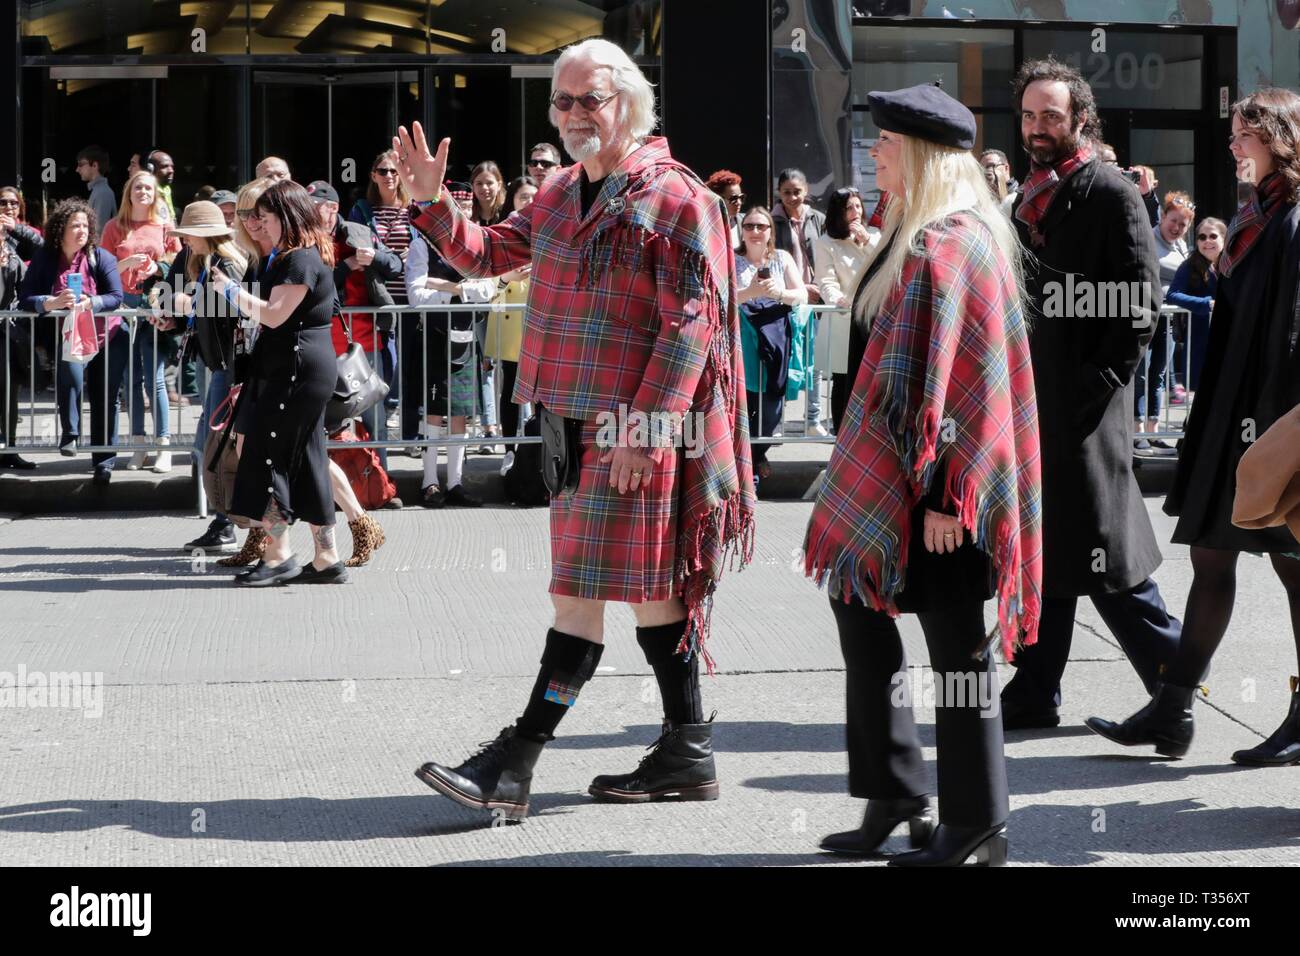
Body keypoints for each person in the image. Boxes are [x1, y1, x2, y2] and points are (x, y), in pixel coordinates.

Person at [396, 36, 754, 820]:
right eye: (561, 101)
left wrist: (648, 428)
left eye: (588, 98)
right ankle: (687, 751)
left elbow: (693, 323)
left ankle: (514, 764)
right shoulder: (559, 192)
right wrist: (434, 206)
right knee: (651, 596)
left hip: (633, 431)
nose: (572, 114)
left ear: (628, 101)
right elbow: (488, 254)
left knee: (577, 597)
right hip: (570, 423)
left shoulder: (677, 197)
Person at [805, 83, 1040, 867]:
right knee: (858, 608)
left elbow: (964, 384)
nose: (872, 156)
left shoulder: (953, 243)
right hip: (891, 479)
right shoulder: (915, 233)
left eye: (884, 144)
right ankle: (894, 790)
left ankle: (978, 820)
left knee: (959, 656)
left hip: (940, 492)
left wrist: (944, 497)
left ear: (922, 153)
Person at [1087, 89, 1300, 764]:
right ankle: (1174, 706)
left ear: (1278, 136)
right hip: (1233, 410)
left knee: (1295, 568)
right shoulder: (1256, 213)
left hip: (1271, 416)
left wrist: (1274, 434)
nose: (1233, 145)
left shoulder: (1293, 217)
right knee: (1213, 557)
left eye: (1244, 134)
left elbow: (1292, 333)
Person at [998, 56, 1183, 730]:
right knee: (1050, 548)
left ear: (1080, 118)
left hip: (1085, 409)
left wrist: (1097, 384)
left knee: (1107, 551)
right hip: (1034, 405)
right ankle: (1034, 688)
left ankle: (1176, 676)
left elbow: (1141, 301)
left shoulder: (1109, 190)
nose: (1039, 126)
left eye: (1051, 114)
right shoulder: (1029, 192)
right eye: (1028, 114)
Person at [212, 180, 347, 586]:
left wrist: (230, 290)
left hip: (294, 370)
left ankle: (278, 556)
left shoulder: (299, 259)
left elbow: (273, 315)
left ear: (285, 216)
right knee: (306, 459)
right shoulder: (301, 256)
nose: (256, 223)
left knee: (269, 457)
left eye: (263, 216)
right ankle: (327, 558)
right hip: (300, 367)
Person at [159, 201, 250, 553]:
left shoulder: (225, 264)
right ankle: (229, 521)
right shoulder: (200, 261)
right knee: (212, 447)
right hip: (219, 365)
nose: (186, 242)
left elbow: (235, 308)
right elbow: (170, 295)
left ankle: (230, 522)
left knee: (215, 447)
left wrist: (189, 304)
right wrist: (176, 315)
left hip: (229, 367)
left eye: (189, 235)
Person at [18, 198, 125, 484]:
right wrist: (50, 302)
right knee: (71, 381)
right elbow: (26, 296)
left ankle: (104, 460)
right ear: (59, 230)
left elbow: (116, 297)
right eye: (74, 225)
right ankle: (71, 434)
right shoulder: (45, 258)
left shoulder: (100, 257)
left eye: (85, 225)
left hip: (108, 334)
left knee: (105, 397)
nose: (81, 230)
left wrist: (93, 302)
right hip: (70, 336)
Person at [307, 179, 402, 470]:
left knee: (375, 421)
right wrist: (344, 268)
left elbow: (396, 265)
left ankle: (382, 483)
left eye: (314, 207)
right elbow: (311, 286)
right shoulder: (303, 240)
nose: (307, 213)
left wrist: (375, 257)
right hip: (321, 344)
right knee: (322, 424)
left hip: (364, 344)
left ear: (333, 208)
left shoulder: (359, 232)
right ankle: (327, 492)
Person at [100, 170, 182, 472]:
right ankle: (138, 444)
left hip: (154, 306)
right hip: (123, 306)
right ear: (128, 193)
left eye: (148, 187)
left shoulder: (164, 227)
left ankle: (164, 445)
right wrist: (127, 263)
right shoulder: (113, 227)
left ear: (156, 194)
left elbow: (178, 266)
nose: (143, 192)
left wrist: (156, 269)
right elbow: (102, 269)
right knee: (130, 380)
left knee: (155, 378)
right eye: (137, 187)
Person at [404, 225, 490, 508]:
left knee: (460, 414)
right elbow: (416, 296)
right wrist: (462, 291)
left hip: (465, 337)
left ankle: (455, 483)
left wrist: (444, 287)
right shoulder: (421, 247)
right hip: (433, 336)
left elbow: (487, 290)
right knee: (433, 412)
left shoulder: (475, 246)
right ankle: (429, 482)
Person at [734, 205, 804, 483]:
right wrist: (750, 292)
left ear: (770, 231)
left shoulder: (782, 258)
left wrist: (780, 292)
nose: (754, 231)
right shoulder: (731, 258)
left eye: (761, 226)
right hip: (742, 344)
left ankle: (756, 454)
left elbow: (801, 295)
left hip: (775, 343)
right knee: (743, 407)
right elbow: (721, 295)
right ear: (742, 230)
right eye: (749, 226)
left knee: (771, 410)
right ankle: (747, 468)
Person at [815, 186, 879, 433]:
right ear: (838, 213)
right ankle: (841, 438)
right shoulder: (826, 242)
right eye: (848, 208)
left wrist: (866, 242)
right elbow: (826, 280)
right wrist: (837, 299)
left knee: (873, 379)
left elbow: (887, 265)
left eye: (858, 206)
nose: (855, 212)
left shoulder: (873, 235)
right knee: (844, 382)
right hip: (844, 318)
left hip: (872, 317)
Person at [1134, 190, 1195, 451]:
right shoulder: (1149, 238)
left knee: (1158, 374)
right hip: (1145, 316)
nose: (1177, 227)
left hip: (1168, 321)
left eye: (1183, 224)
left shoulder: (1181, 246)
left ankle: (1153, 431)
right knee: (1141, 375)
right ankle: (1137, 435)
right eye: (1173, 220)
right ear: (1162, 216)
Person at [772, 168, 828, 436]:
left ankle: (813, 420)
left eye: (797, 191)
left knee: (813, 360)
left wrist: (819, 286)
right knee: (784, 360)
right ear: (779, 193)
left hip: (816, 300)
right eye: (786, 192)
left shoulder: (819, 219)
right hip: (786, 300)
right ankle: (777, 422)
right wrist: (798, 287)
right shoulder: (771, 221)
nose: (792, 197)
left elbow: (828, 256)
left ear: (806, 191)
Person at [487, 177, 538, 474]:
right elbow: (489, 281)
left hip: (540, 321)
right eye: (523, 197)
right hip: (510, 318)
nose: (528, 202)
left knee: (540, 394)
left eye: (533, 197)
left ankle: (537, 451)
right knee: (510, 391)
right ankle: (508, 449)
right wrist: (508, 277)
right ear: (513, 200)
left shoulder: (549, 227)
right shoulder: (504, 231)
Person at [1166, 216, 1227, 393]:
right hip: (1200, 339)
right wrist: (1207, 304)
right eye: (1202, 237)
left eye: (1213, 236)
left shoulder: (1233, 263)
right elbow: (1172, 295)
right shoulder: (1189, 266)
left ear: (1224, 238)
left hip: (1230, 337)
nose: (1207, 241)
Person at [0, 222, 32, 469]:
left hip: (7, 335)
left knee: (9, 393)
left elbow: (26, 293)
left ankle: (10, 449)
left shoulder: (12, 261)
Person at [75, 146, 117, 237]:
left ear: (94, 165)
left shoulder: (102, 193)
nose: (77, 169)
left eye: (81, 164)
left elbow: (98, 232)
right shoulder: (99, 191)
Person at [706, 169, 745, 247]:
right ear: (718, 199)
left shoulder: (746, 223)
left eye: (741, 197)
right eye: (733, 198)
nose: (739, 203)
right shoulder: (706, 225)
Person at [979, 148, 1018, 215]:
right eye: (982, 168)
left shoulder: (1018, 199)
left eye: (991, 166)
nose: (986, 172)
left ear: (1006, 168)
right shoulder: (980, 204)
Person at [147, 150, 177, 222]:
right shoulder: (147, 191)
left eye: (172, 167)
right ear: (151, 169)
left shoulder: (166, 189)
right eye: (165, 166)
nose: (171, 171)